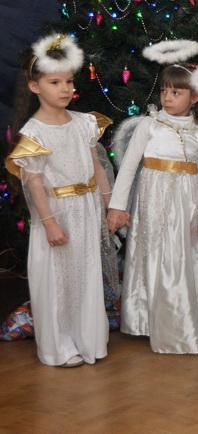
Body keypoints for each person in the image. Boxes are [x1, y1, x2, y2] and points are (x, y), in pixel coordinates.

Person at [6, 33, 110, 367]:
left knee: (85, 275)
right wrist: (49, 223)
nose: (65, 89)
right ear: (35, 86)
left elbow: (96, 166)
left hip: (86, 209)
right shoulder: (34, 133)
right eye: (55, 82)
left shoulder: (83, 123)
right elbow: (35, 183)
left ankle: (89, 340)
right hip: (56, 212)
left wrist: (108, 202)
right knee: (57, 280)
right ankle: (60, 346)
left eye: (69, 81)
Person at [107, 58, 198, 354]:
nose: (167, 98)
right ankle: (148, 319)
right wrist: (117, 207)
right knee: (154, 256)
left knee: (183, 259)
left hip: (187, 206)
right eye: (164, 91)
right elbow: (128, 167)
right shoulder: (150, 125)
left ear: (194, 97)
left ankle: (182, 323)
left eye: (176, 92)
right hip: (153, 204)